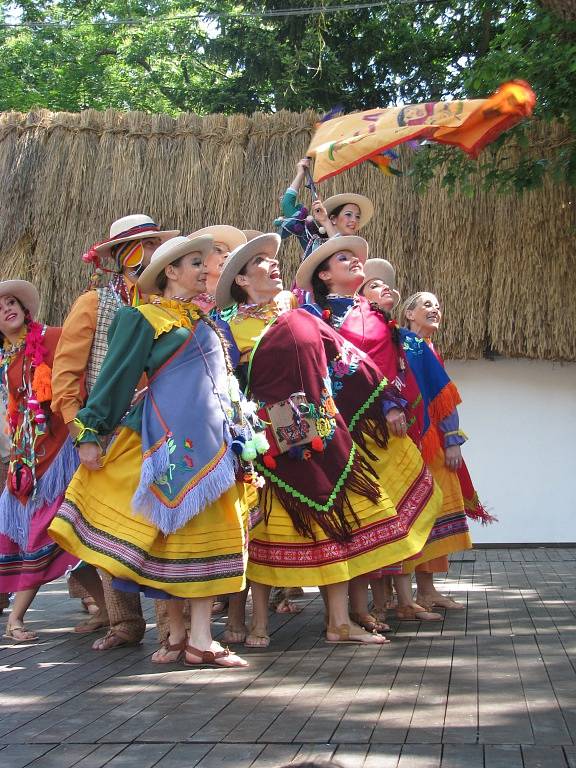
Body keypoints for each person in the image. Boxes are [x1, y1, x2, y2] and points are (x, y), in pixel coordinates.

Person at [215, 234, 442, 647]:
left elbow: (344, 358)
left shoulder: (300, 312)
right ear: (243, 281)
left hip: (321, 431)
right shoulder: (226, 325)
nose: (274, 265)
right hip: (267, 441)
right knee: (267, 531)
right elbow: (227, 386)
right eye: (262, 262)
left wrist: (387, 399)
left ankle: (339, 622)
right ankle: (247, 622)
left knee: (338, 519)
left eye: (273, 259)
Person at [49, 235, 259, 668]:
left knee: (204, 539)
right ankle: (185, 636)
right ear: (170, 271)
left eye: (206, 262)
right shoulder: (142, 317)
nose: (205, 268)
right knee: (172, 539)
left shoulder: (209, 319)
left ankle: (196, 638)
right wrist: (90, 433)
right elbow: (116, 379)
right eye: (196, 262)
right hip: (171, 445)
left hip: (217, 445)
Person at [297, 238, 472, 622]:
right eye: (344, 259)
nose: (355, 262)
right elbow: (315, 366)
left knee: (393, 509)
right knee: (347, 516)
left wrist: (391, 404)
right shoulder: (312, 315)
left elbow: (388, 370)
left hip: (380, 428)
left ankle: (390, 602)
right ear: (324, 275)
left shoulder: (377, 317)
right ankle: (347, 615)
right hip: (336, 427)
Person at [51, 213, 179, 647]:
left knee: (163, 519)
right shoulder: (94, 303)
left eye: (152, 246)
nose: (144, 257)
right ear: (121, 257)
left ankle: (171, 627)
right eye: (138, 248)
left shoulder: (174, 306)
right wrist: (81, 433)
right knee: (107, 522)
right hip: (105, 430)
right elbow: (66, 376)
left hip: (161, 427)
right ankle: (124, 622)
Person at [399, 290, 492, 609]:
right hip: (407, 442)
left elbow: (445, 401)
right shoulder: (402, 347)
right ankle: (399, 596)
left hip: (434, 442)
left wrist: (452, 439)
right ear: (409, 314)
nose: (435, 308)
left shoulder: (430, 349)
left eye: (438, 305)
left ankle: (427, 590)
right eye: (427, 304)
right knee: (410, 513)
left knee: (436, 510)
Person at [0, 280, 79, 642]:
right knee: (52, 536)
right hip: (28, 457)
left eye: (11, 302)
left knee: (55, 533)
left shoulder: (53, 336)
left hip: (62, 450)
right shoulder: (8, 357)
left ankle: (16, 617)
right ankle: (107, 611)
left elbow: (84, 368)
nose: (6, 309)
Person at [277, 158, 374, 262]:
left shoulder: (357, 250)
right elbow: (287, 205)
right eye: (348, 214)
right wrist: (300, 173)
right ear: (333, 219)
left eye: (357, 216)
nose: (354, 220)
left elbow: (340, 251)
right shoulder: (311, 236)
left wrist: (325, 221)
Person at [185, 225, 247, 312]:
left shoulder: (240, 302)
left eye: (230, 253)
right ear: (199, 258)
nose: (228, 255)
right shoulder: (186, 303)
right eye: (218, 250)